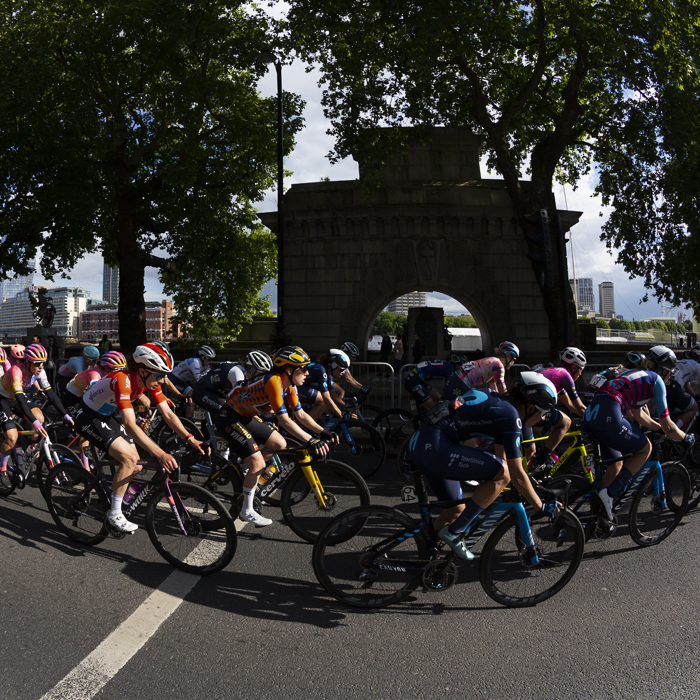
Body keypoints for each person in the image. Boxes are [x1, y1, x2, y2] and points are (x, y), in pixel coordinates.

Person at [409, 371, 561, 560]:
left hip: (424, 441)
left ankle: (426, 554)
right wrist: (540, 506)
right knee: (503, 474)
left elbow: (502, 459)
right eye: (544, 412)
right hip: (435, 447)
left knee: (455, 511)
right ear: (531, 407)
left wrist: (520, 483)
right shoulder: (510, 417)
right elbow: (513, 473)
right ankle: (455, 532)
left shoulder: (500, 403)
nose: (544, 418)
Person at [74, 343, 207, 533]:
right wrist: (160, 454)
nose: (161, 381)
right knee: (130, 458)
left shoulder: (150, 381)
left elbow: (168, 415)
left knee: (135, 465)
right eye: (159, 375)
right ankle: (114, 513)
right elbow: (129, 425)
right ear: (143, 371)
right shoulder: (122, 380)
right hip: (88, 416)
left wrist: (191, 438)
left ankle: (115, 495)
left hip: (105, 416)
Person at [215, 346, 338, 527]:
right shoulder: (274, 382)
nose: (307, 373)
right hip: (229, 417)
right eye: (303, 369)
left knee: (279, 443)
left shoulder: (290, 386)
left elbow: (301, 415)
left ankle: (246, 468)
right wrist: (311, 440)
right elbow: (286, 421)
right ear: (289, 370)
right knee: (259, 464)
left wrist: (322, 431)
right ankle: (246, 510)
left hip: (245, 417)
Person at [582, 345, 693, 525]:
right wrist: (686, 438)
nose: (670, 376)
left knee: (614, 465)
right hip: (610, 414)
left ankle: (599, 512)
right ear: (664, 370)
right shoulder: (656, 380)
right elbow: (669, 426)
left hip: (592, 414)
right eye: (670, 373)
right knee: (645, 449)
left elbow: (638, 414)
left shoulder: (635, 374)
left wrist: (658, 429)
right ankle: (609, 494)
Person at [0, 344, 73, 489]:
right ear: (27, 362)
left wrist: (65, 415)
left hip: (15, 398)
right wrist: (34, 422)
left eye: (43, 364)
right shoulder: (16, 371)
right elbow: (20, 399)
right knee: (11, 436)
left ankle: (31, 449)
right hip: (2, 399)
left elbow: (51, 394)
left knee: (40, 417)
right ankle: (2, 470)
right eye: (37, 364)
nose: (41, 367)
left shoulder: (40, 372)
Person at [193, 350, 273, 420]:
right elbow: (240, 401)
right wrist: (259, 419)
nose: (261, 377)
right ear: (252, 369)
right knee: (229, 412)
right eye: (261, 373)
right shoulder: (237, 373)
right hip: (201, 391)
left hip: (214, 391)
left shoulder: (245, 373)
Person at [443, 341, 520, 398]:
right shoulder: (498, 366)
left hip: (457, 380)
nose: (513, 363)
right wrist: (511, 401)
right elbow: (502, 390)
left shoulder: (492, 361)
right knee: (463, 410)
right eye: (513, 360)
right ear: (509, 357)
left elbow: (494, 389)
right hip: (461, 384)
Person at [297, 349, 351, 421]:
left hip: (302, 386)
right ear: (334, 366)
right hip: (295, 386)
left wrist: (345, 406)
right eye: (341, 369)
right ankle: (305, 428)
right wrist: (341, 415)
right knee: (322, 401)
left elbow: (333, 395)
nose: (344, 373)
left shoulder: (328, 372)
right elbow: (326, 397)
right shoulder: (321, 369)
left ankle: (309, 425)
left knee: (323, 401)